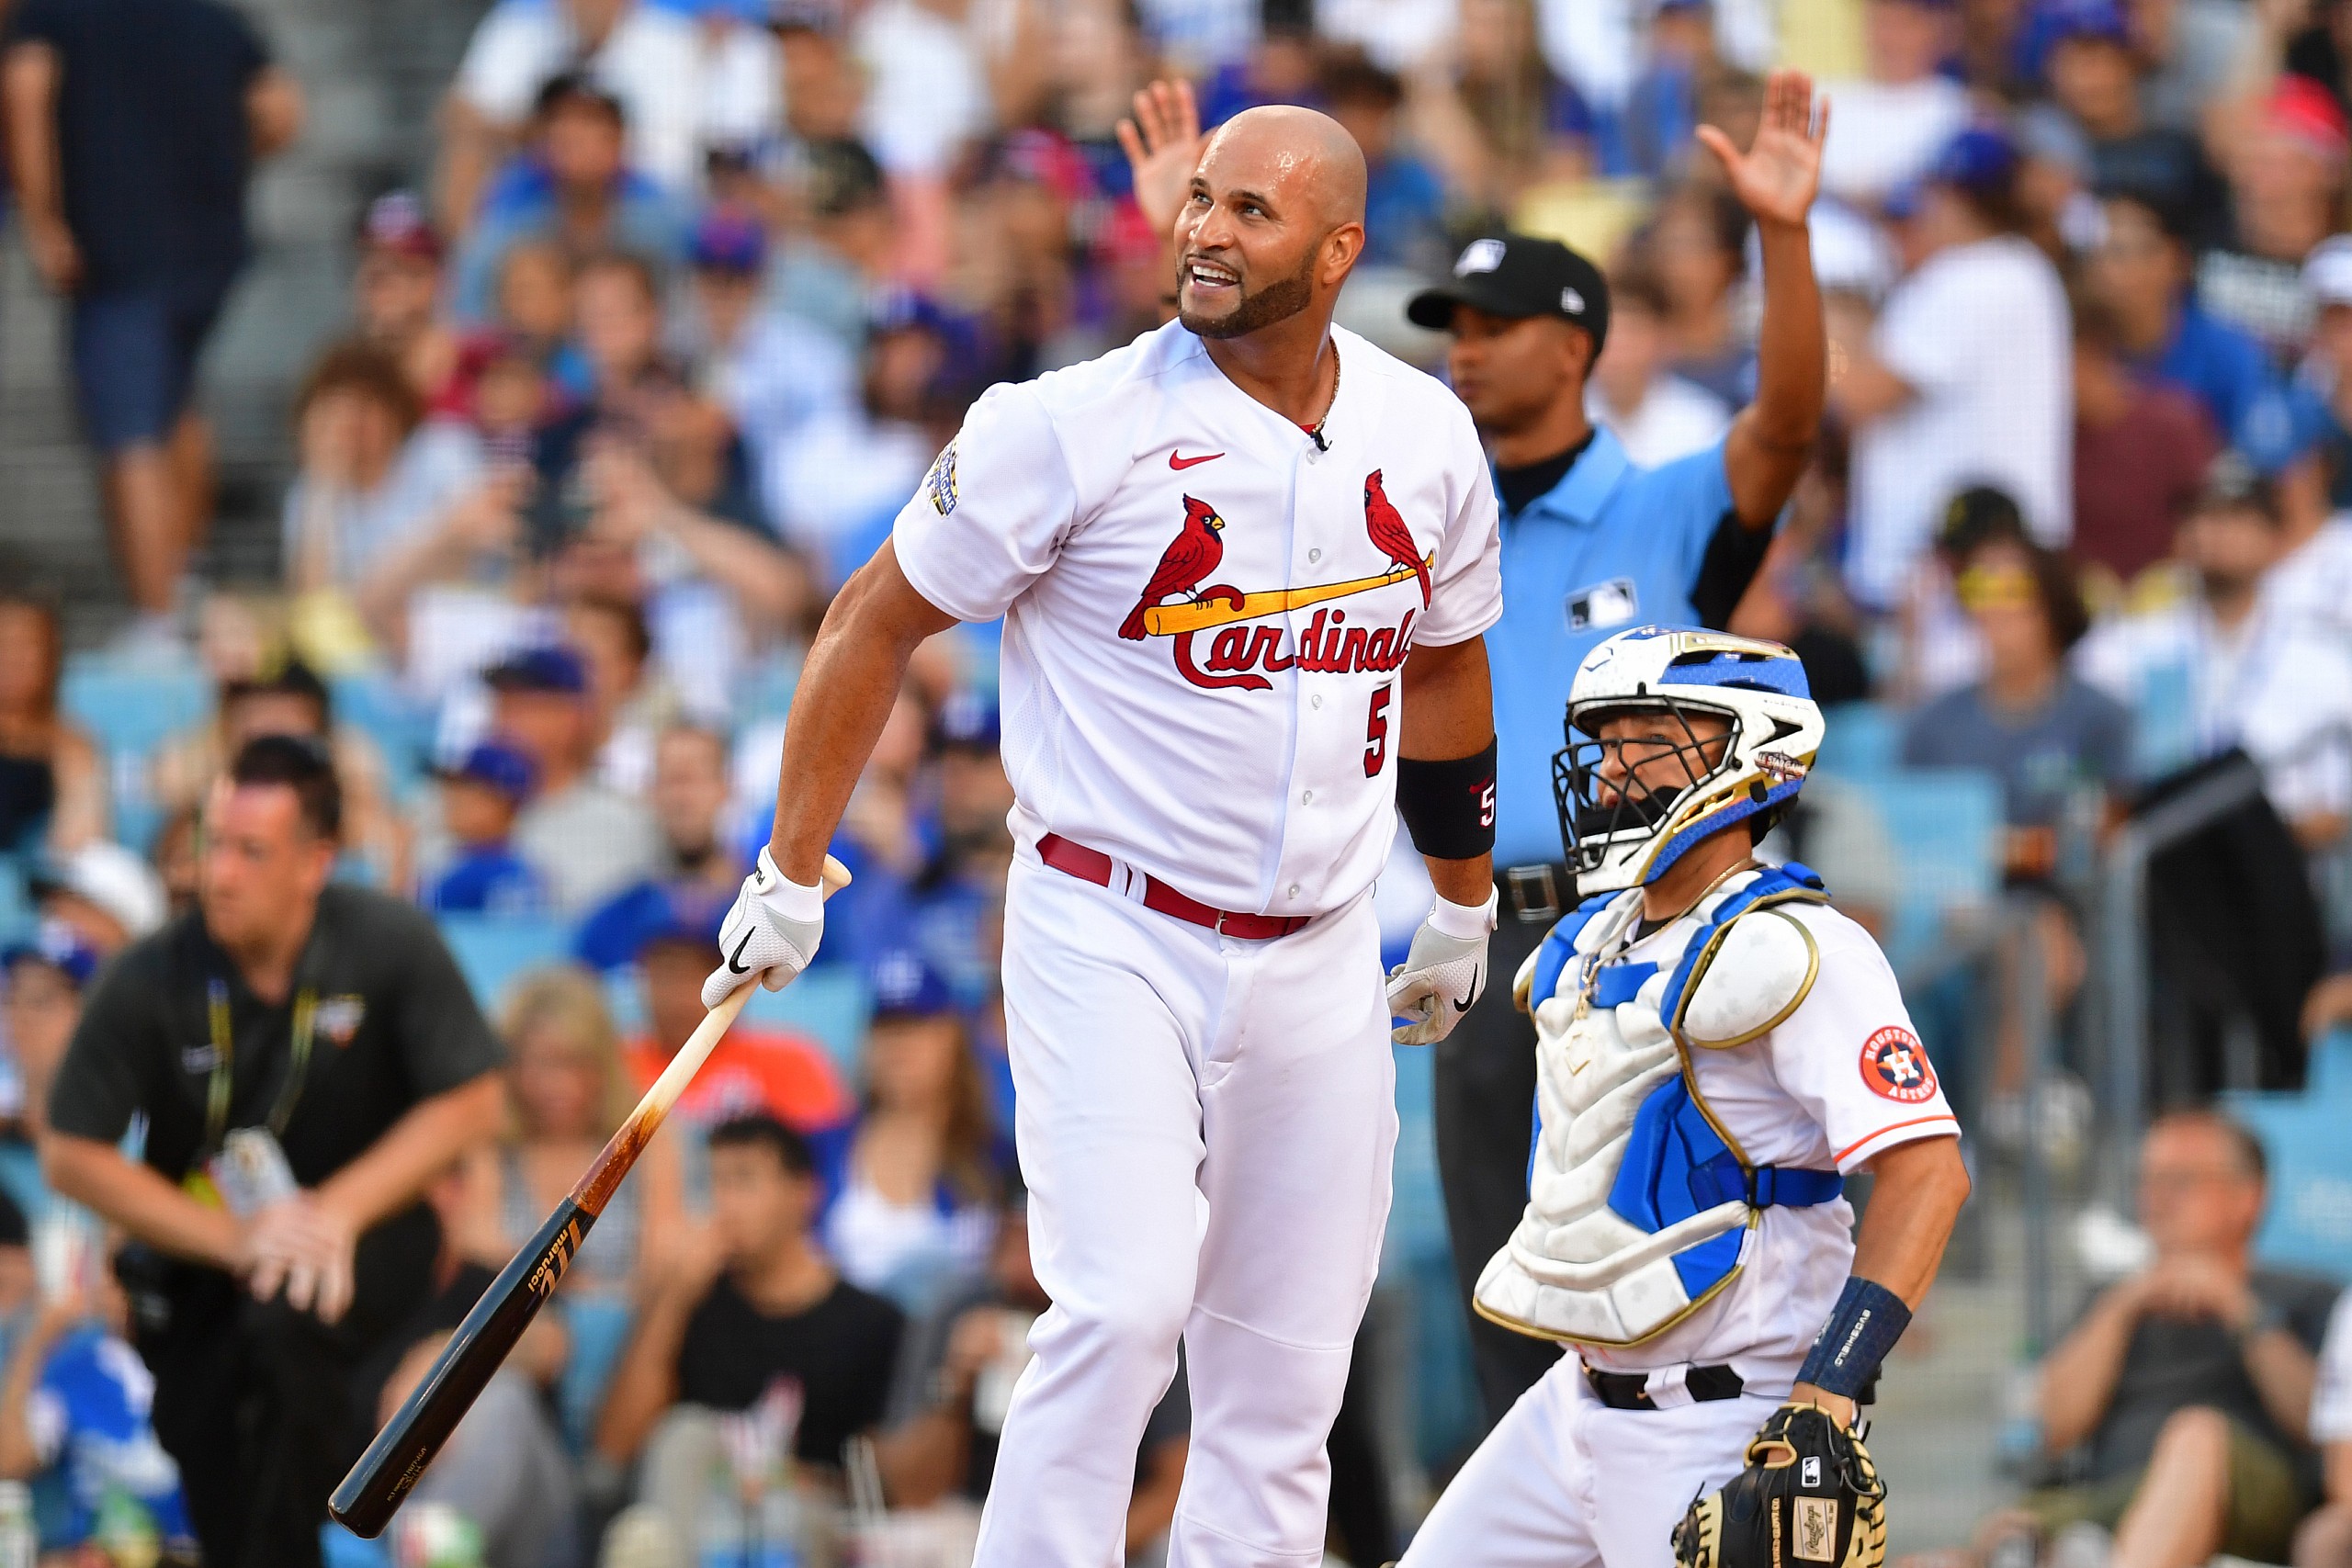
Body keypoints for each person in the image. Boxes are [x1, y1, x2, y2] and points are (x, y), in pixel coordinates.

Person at [711, 102, 1504, 1567]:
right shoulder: (1066, 424)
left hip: (1323, 948)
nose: (1204, 226)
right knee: (1127, 1303)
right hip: (1108, 919)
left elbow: (1447, 661)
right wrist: (792, 858)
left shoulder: (1426, 431)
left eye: (1251, 211)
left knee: (1284, 1373)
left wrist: (1459, 899)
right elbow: (870, 616)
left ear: (1338, 251)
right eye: (1198, 199)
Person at [1402, 69, 1828, 1426]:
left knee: (1663, 1290)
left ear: (1575, 345)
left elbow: (1788, 427)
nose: (1464, 348)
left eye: (1495, 324)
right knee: (1502, 1304)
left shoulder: (1662, 504)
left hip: (1639, 937)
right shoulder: (1419, 525)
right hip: (1477, 947)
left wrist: (1784, 238)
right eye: (1454, 325)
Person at [1396, 626, 1972, 1565]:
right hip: (1569, 1399)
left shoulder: (1800, 950)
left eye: (1651, 738)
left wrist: (1831, 1389)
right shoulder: (1590, 936)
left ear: (1751, 750)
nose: (1618, 770)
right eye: (1607, 742)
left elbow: (1928, 1175)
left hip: (1724, 1418)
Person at [40, 735, 505, 1568]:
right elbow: (71, 1151)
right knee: (222, 1412)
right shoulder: (152, 974)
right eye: (212, 843)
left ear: (316, 861)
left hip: (368, 1244)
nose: (218, 873)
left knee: (287, 1316)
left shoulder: (386, 940)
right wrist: (231, 1237)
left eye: (251, 851)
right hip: (203, 1259)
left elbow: (475, 1100)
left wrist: (335, 1210)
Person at [0, 0, 302, 651]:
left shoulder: (55, 16)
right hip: (207, 250)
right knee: (177, 405)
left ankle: (159, 615)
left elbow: (25, 91)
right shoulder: (210, 17)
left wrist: (43, 219)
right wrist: (219, 168)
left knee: (129, 429)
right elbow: (280, 112)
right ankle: (184, 582)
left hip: (117, 251)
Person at [2001, 1111, 2334, 1567]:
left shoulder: (2309, 1295)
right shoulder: (2109, 1298)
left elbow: (2323, 1423)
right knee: (1992, 1536)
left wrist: (2240, 1308)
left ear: (2248, 1198)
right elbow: (2053, 1428)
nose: (2154, 1200)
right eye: (2147, 1181)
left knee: (2197, 1434)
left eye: (2180, 1181)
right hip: (2112, 1496)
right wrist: (2122, 1306)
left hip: (2256, 1504)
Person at [595, 1114, 903, 1551]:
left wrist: (794, 1480)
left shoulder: (868, 1320)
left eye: (743, 1181)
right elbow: (614, 1449)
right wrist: (674, 1301)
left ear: (804, 1193)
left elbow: (885, 1487)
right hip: (698, 1523)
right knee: (684, 1437)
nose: (724, 1203)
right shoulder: (691, 1301)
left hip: (807, 1532)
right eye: (713, 1184)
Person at [1833, 123, 2073, 612]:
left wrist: (1827, 338)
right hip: (2005, 553)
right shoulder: (2029, 270)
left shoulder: (1962, 279)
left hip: (1949, 567)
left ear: (1952, 202)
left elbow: (1854, 399)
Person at [877, 1185, 1190, 1559]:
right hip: (973, 1521)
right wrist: (956, 1386)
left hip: (1104, 1526)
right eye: (1010, 1236)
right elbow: (910, 1490)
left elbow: (1176, 1483)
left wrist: (1086, 1555)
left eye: (1035, 1235)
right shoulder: (965, 1309)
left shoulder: (1128, 1320)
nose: (1019, 1260)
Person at [440, 0, 776, 221]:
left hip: (651, 194)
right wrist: (541, 135)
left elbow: (724, 138)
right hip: (546, 187)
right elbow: (455, 112)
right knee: (465, 155)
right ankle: (461, 281)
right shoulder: (522, 26)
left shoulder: (676, 41)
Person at [0, 1223, 199, 1562]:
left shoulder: (201, 1366)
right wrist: (39, 1340)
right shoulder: (74, 1365)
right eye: (116, 1269)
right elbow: (9, 1459)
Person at [822, 950, 1001, 1310]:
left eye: (915, 1026)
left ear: (951, 1037)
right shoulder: (824, 1146)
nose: (898, 1046)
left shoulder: (1000, 1157)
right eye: (885, 1028)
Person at [478, 643, 662, 914]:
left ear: (571, 718)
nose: (504, 720)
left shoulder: (623, 823)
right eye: (500, 705)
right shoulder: (449, 810)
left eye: (523, 706)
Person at [1816, 0, 1969, 208]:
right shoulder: (1822, 99)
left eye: (1904, 25)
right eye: (1881, 23)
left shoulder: (1958, 110)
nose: (1889, 39)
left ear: (1938, 30)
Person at [0, 592, 107, 857]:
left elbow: (79, 842)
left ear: (51, 655)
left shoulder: (70, 745)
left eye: (27, 645)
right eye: (3, 644)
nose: (13, 658)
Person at [420, 740, 545, 915]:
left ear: (503, 803)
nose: (450, 798)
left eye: (465, 788)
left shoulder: (481, 875)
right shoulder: (522, 869)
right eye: (451, 787)